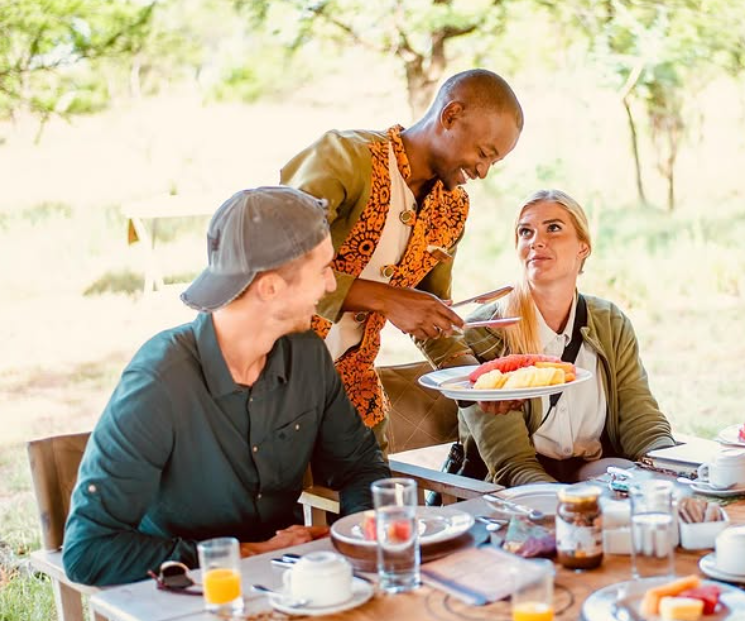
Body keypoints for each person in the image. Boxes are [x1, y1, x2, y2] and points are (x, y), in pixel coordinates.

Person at [63, 187, 390, 586]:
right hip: (183, 598)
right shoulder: (159, 381)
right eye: (323, 270)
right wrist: (245, 555)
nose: (329, 285)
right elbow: (88, 551)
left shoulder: (307, 357)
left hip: (292, 587)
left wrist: (358, 539)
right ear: (270, 288)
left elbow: (359, 466)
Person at [280, 69, 524, 451]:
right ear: (450, 116)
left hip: (353, 397)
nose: (482, 171)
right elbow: (276, 264)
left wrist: (476, 383)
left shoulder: (452, 208)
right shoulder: (346, 157)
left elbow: (433, 314)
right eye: (483, 153)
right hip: (270, 381)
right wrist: (388, 299)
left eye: (493, 162)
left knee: (373, 503)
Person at [458, 189, 675, 487]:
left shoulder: (609, 321)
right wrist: (567, 504)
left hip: (598, 475)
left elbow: (641, 421)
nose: (536, 241)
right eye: (526, 232)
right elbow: (511, 462)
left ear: (583, 247)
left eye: (554, 228)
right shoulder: (487, 330)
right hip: (516, 489)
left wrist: (674, 471)